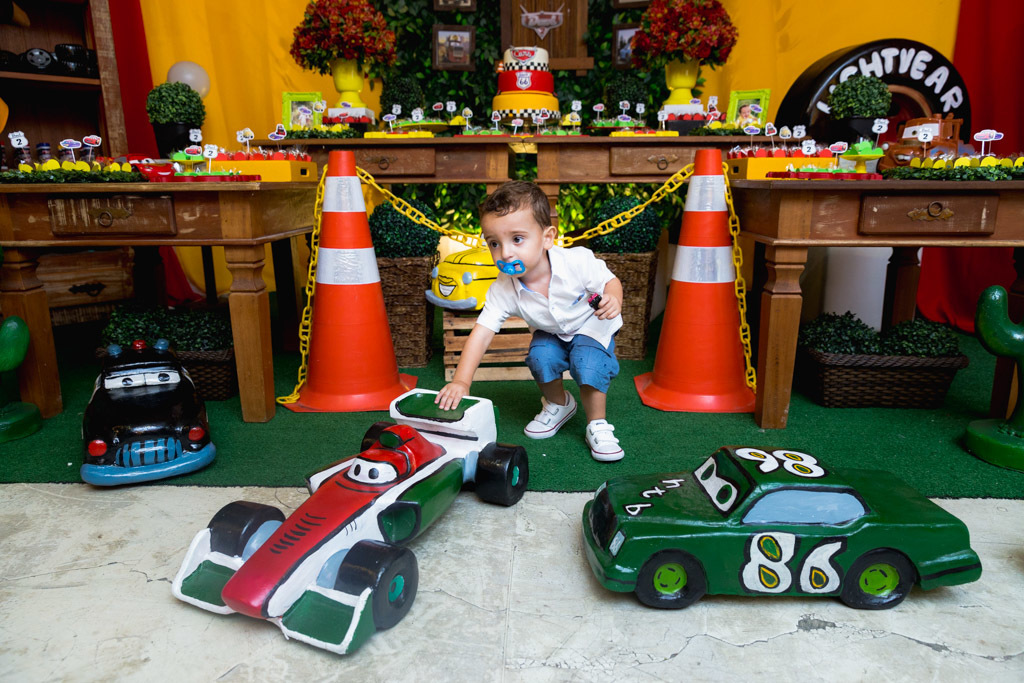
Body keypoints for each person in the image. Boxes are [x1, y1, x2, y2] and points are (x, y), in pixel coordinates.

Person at [435, 181, 626, 462]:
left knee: (587, 363)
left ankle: (597, 423)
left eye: (517, 239)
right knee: (540, 356)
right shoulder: (503, 287)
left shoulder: (576, 262)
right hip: (552, 331)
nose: (505, 253)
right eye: (494, 243)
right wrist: (462, 381)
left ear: (547, 238)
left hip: (591, 324)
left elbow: (610, 281)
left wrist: (613, 298)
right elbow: (482, 332)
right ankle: (560, 404)